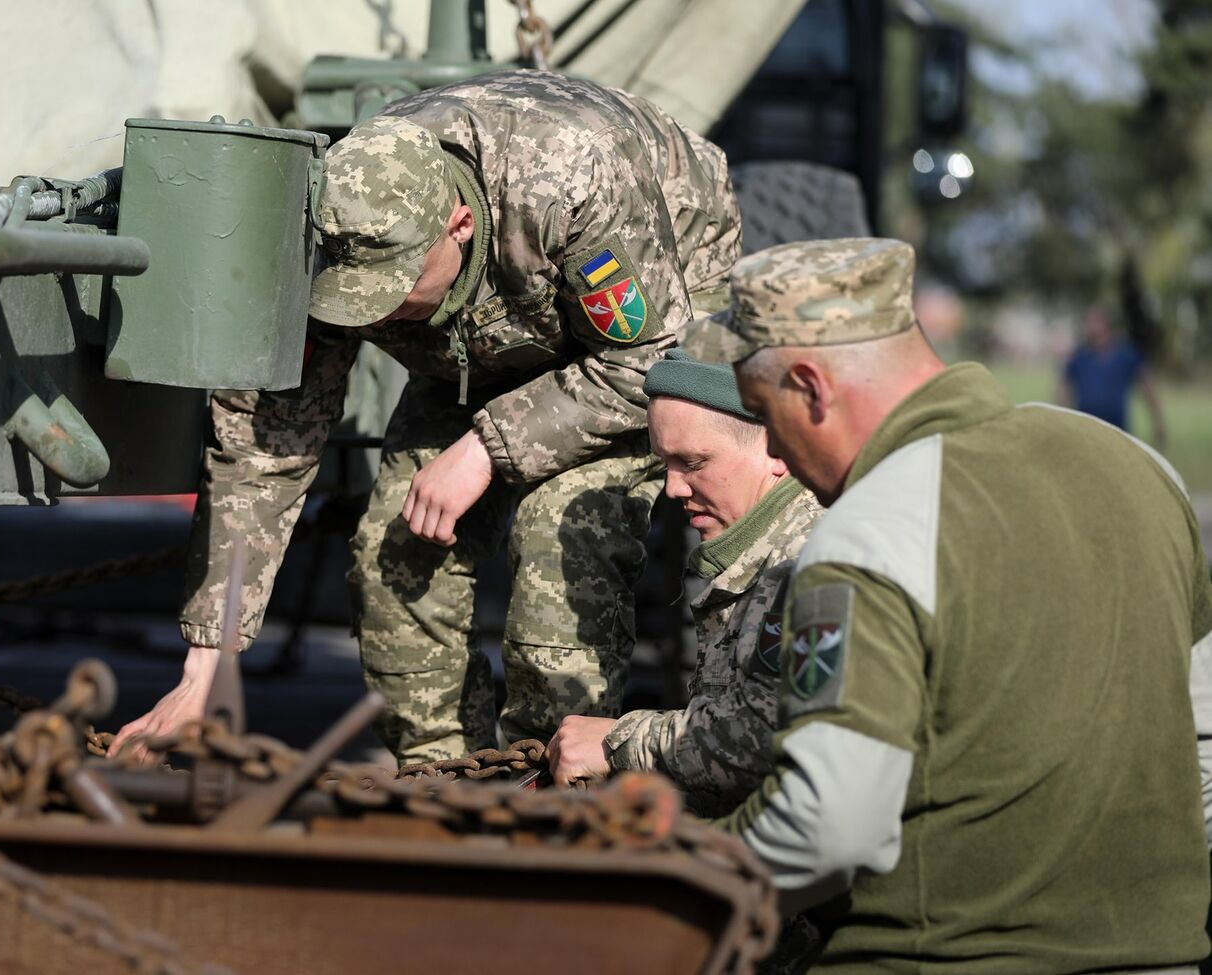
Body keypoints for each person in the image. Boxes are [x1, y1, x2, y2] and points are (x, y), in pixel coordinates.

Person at [110, 70, 741, 764]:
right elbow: (262, 447)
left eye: (396, 288)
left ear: (458, 225)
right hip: (487, 331)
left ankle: (554, 791)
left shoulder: (568, 182)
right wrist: (204, 666)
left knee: (563, 537)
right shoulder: (338, 226)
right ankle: (444, 781)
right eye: (357, 294)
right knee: (392, 552)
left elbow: (645, 360)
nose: (375, 311)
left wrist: (485, 447)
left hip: (650, 308)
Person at [684, 238, 1212, 972]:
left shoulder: (865, 533)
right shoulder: (1140, 469)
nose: (771, 445)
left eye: (761, 413)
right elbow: (1202, 742)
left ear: (811, 386)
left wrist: (677, 878)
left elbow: (828, 828)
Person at [545, 349, 821, 815]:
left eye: (692, 463)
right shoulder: (762, 547)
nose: (673, 489)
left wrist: (616, 745)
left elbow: (765, 737)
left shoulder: (804, 560)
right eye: (664, 464)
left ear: (777, 449)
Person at [1059, 305, 1167, 448]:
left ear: (1106, 325)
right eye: (1088, 322)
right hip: (1084, 432)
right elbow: (1064, 390)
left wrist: (1158, 423)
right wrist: (1060, 422)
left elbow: (1147, 389)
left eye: (1094, 321)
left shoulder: (1126, 356)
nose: (1089, 326)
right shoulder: (1079, 357)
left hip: (1118, 433)